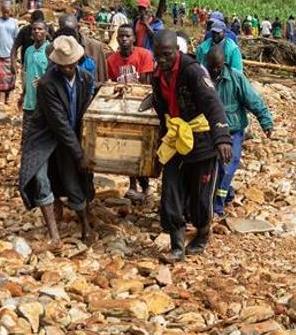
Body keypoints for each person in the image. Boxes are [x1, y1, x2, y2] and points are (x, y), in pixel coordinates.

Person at [152, 30, 232, 262]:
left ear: (177, 51)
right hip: (176, 139)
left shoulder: (193, 72)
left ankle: (203, 233)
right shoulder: (158, 75)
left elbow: (212, 102)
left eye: (167, 55)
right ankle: (177, 246)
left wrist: (223, 137)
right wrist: (161, 134)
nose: (162, 60)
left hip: (202, 140)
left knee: (200, 195)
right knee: (171, 191)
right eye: (158, 55)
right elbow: (160, 106)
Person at [18, 36, 96, 249]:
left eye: (72, 64)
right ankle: (54, 235)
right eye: (65, 65)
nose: (69, 68)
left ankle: (86, 226)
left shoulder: (86, 78)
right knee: (40, 178)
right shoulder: (46, 84)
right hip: (44, 136)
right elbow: (58, 123)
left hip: (71, 134)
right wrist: (79, 154)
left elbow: (89, 104)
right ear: (57, 63)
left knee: (73, 180)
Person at [204, 45, 273, 217]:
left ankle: (218, 206)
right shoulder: (201, 78)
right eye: (210, 66)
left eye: (217, 67)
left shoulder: (236, 78)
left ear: (223, 64)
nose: (214, 70)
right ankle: (227, 193)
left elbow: (253, 101)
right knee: (211, 169)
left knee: (227, 166)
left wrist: (266, 122)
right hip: (209, 131)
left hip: (233, 131)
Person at [106, 25, 155, 202]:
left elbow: (146, 84)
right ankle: (133, 184)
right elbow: (111, 84)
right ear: (117, 39)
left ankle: (146, 185)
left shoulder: (144, 55)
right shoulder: (112, 60)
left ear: (134, 38)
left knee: (142, 149)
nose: (124, 39)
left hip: (141, 108)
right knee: (126, 148)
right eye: (121, 36)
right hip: (122, 108)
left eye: (127, 36)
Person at [57, 14, 107, 83]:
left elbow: (103, 80)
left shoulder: (96, 48)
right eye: (64, 31)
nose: (68, 35)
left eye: (71, 31)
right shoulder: (55, 49)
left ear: (78, 28)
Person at [18, 21, 51, 125]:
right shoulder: (28, 51)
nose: (37, 31)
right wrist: (23, 95)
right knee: (26, 137)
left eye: (40, 29)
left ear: (46, 31)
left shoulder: (50, 50)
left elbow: (55, 75)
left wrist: (43, 81)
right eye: (34, 29)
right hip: (29, 102)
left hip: (45, 103)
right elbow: (26, 74)